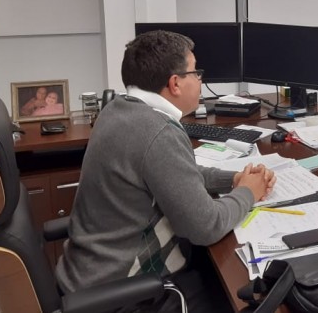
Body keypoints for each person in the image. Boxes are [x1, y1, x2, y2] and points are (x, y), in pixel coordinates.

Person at [55, 30, 276, 313]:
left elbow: (177, 173)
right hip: (121, 290)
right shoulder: (157, 131)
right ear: (175, 83)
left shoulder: (119, 110)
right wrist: (248, 192)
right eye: (196, 73)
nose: (200, 80)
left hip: (87, 271)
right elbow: (205, 226)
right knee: (239, 293)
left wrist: (233, 179)